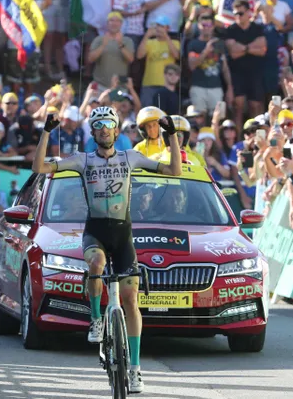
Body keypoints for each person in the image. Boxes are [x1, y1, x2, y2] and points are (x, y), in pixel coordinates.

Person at [32, 106, 182, 393]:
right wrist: (46, 132)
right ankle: (96, 320)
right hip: (96, 232)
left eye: (108, 125)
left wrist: (172, 136)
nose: (103, 130)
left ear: (116, 130)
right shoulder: (82, 160)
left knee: (130, 300)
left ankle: (135, 369)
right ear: (93, 131)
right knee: (96, 263)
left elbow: (174, 170)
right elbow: (39, 168)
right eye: (97, 125)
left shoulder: (131, 157)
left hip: (123, 235)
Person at [225, 0, 267, 127]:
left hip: (255, 72)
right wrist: (252, 48)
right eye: (235, 13)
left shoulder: (257, 28)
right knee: (238, 107)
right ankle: (238, 139)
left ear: (249, 13)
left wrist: (243, 48)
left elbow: (263, 50)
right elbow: (233, 52)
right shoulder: (231, 30)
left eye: (241, 13)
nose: (238, 16)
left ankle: (255, 136)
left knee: (255, 106)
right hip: (237, 73)